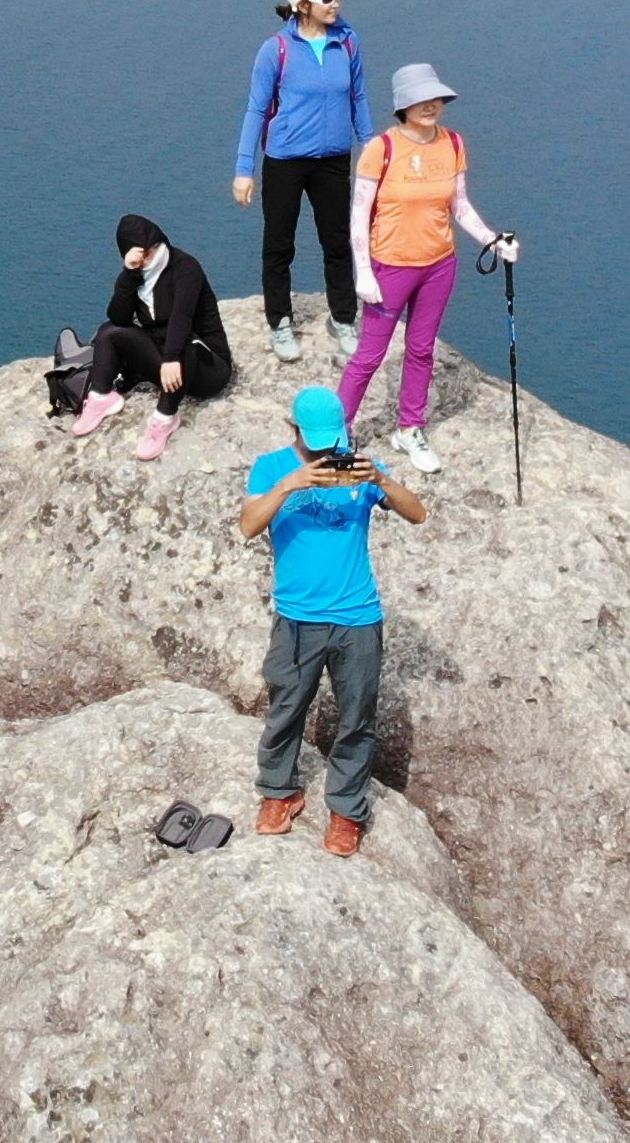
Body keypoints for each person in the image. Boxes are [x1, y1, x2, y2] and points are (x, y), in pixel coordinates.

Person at [238, 384, 428, 856]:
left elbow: (418, 513)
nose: (327, 451)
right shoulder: (272, 468)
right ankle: (279, 792)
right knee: (286, 708)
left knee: (357, 718)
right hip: (297, 618)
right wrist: (290, 485)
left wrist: (381, 482)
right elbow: (247, 525)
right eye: (316, 440)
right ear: (294, 430)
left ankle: (347, 810)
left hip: (358, 617)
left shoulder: (362, 468)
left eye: (332, 439)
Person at [341, 62, 521, 474]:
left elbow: (459, 205)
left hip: (439, 265)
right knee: (369, 355)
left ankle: (410, 427)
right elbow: (358, 215)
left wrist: (492, 240)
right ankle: (338, 432)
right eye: (422, 100)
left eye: (437, 98)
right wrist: (363, 272)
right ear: (403, 105)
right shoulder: (381, 150)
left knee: (422, 349)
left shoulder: (454, 144)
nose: (431, 106)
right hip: (391, 267)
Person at [233, 0, 373, 364]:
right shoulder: (275, 50)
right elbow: (256, 109)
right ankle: (280, 323)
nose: (336, 4)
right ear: (303, 5)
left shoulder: (347, 42)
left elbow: (359, 97)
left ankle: (343, 318)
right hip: (285, 161)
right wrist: (245, 169)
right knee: (279, 245)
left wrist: (371, 143)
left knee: (337, 242)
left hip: (332, 159)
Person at [67, 213, 233, 463]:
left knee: (186, 342)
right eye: (141, 255)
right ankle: (101, 398)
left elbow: (182, 316)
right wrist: (129, 274)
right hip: (167, 362)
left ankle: (164, 419)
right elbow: (119, 317)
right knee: (108, 332)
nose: (150, 257)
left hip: (205, 366)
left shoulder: (186, 267)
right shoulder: (138, 276)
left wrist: (171, 357)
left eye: (152, 250)